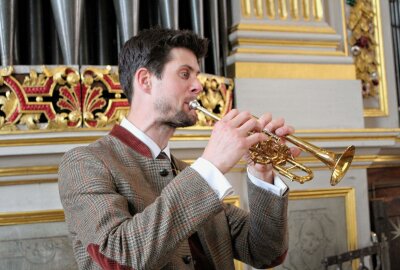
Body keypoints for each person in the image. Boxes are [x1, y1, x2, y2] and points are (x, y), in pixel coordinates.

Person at [58, 27, 299, 270]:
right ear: (145, 80)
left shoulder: (189, 174)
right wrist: (211, 167)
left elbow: (266, 253)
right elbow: (120, 259)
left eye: (197, 75)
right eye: (185, 74)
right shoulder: (84, 163)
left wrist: (262, 174)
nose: (199, 86)